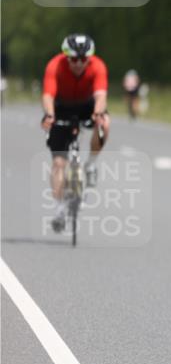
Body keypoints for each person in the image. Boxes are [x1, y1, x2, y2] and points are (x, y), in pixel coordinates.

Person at [40, 33, 110, 232]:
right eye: (74, 59)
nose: (79, 64)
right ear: (66, 56)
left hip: (87, 104)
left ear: (89, 58)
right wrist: (49, 115)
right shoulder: (55, 65)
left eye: (83, 59)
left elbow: (101, 95)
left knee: (104, 122)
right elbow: (48, 95)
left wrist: (97, 113)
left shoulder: (98, 66)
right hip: (61, 106)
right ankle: (59, 208)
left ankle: (91, 165)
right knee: (58, 163)